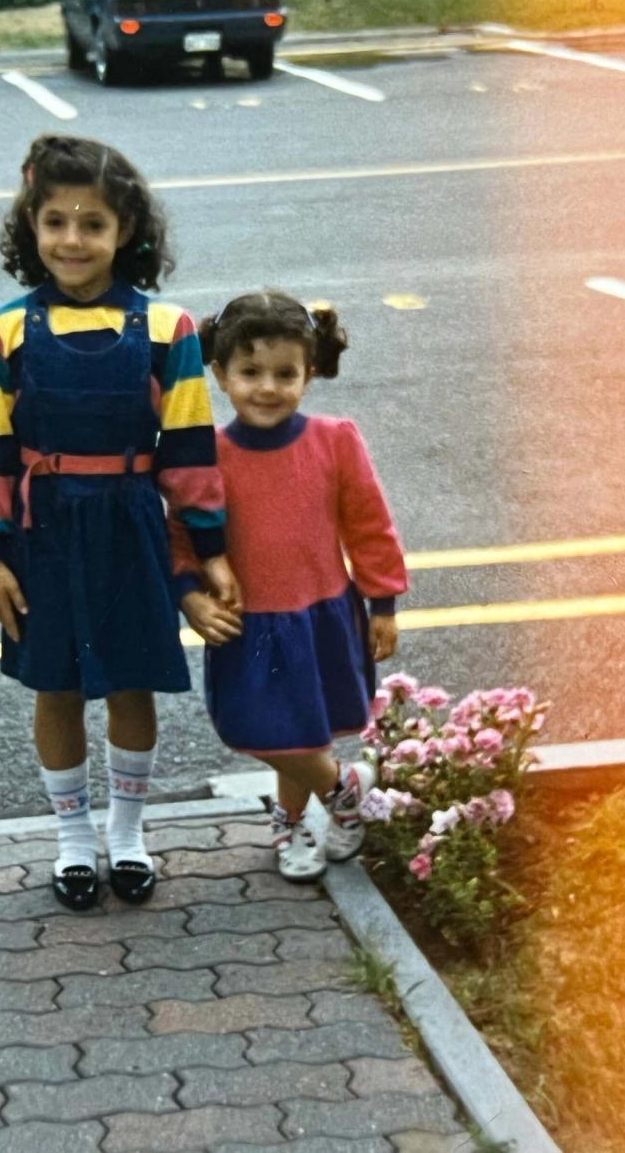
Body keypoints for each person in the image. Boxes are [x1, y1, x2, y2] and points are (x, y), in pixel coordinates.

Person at [0, 134, 239, 912]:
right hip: (42, 531)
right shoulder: (3, 332)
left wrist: (211, 549)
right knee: (53, 686)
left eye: (94, 223)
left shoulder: (168, 329)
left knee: (128, 683)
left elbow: (188, 449)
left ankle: (127, 835)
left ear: (127, 232)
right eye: (55, 221)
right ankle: (73, 841)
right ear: (32, 230)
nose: (74, 239)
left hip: (131, 526)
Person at [173, 290, 407, 882]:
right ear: (220, 374)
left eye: (285, 373)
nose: (267, 387)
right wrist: (189, 596)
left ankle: (290, 819)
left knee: (297, 728)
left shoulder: (335, 440)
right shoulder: (208, 455)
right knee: (257, 728)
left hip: (319, 616)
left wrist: (382, 603)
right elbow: (177, 536)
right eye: (250, 372)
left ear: (309, 372)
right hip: (246, 623)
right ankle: (343, 787)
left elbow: (370, 525)